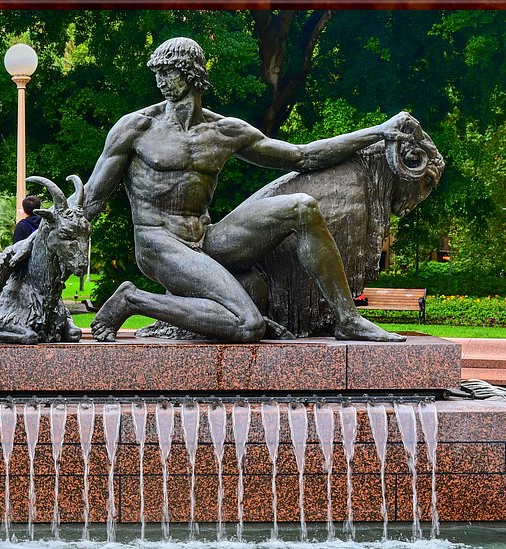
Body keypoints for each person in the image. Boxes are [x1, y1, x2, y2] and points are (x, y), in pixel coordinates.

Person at [83, 37, 412, 343]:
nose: (160, 80)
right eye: (158, 72)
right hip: (158, 243)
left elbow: (304, 156)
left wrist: (379, 131)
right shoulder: (136, 127)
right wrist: (37, 242)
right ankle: (133, 299)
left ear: (191, 73)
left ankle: (348, 319)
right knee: (248, 325)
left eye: (169, 72)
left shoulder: (224, 131)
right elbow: (92, 198)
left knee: (302, 206)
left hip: (205, 237)